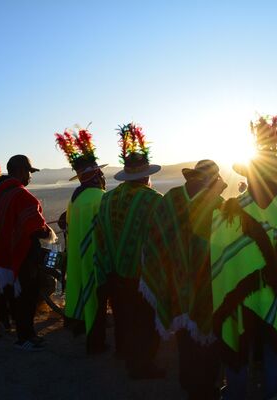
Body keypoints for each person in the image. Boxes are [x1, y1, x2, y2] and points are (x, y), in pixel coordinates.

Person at [211, 115, 277, 399]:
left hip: (239, 304)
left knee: (239, 366)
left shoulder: (227, 211)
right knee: (276, 366)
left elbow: (221, 261)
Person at [140, 159, 227, 399]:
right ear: (213, 178)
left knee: (185, 339)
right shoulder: (217, 203)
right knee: (208, 339)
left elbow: (155, 238)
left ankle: (188, 383)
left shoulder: (170, 199)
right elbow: (223, 248)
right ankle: (207, 388)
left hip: (175, 282)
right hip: (207, 284)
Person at [93, 122, 164, 378]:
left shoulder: (107, 198)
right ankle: (141, 364)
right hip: (141, 274)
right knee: (144, 320)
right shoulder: (154, 200)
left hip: (113, 270)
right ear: (146, 176)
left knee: (123, 314)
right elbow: (163, 237)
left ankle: (123, 351)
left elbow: (99, 233)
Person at [0, 154, 54, 351]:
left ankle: (20, 332)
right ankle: (26, 337)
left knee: (14, 295)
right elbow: (36, 229)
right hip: (22, 254)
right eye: (29, 172)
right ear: (21, 171)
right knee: (27, 296)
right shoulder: (23, 196)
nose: (30, 177)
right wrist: (48, 232)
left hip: (1, 253)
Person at [55, 127, 107, 353]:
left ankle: (78, 322)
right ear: (97, 175)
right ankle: (95, 343)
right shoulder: (100, 197)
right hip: (95, 256)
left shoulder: (76, 196)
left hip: (77, 252)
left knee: (80, 286)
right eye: (100, 174)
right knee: (96, 296)